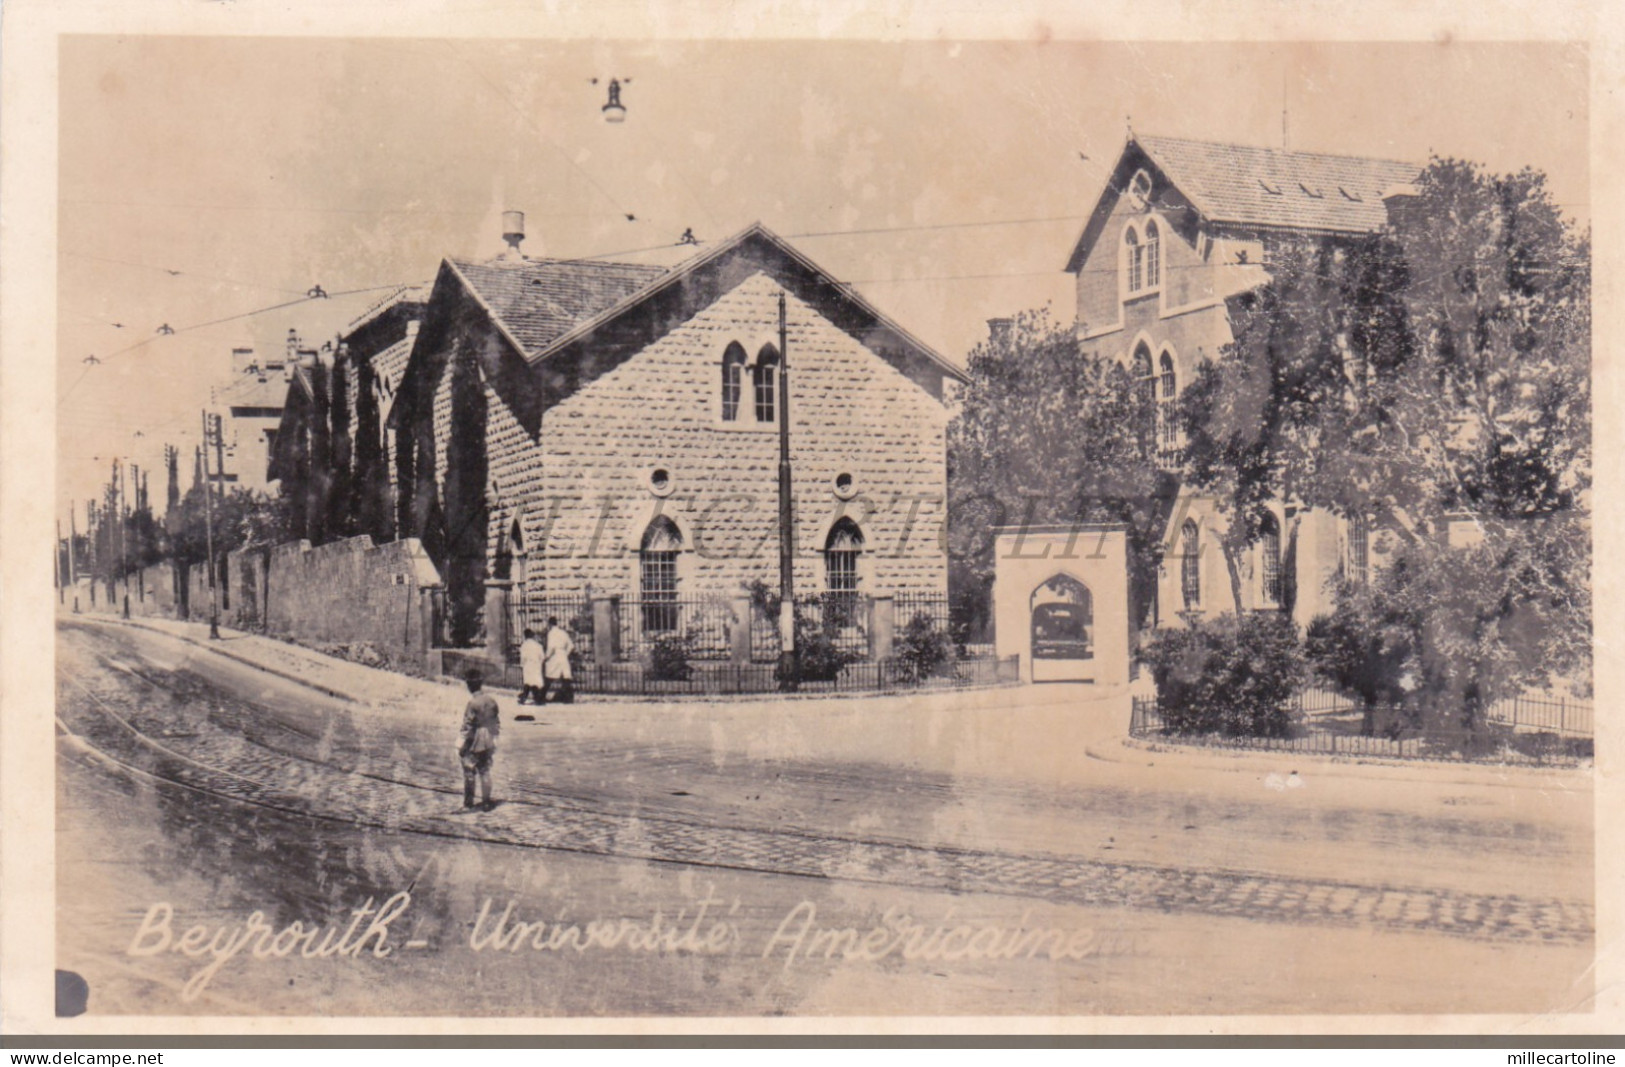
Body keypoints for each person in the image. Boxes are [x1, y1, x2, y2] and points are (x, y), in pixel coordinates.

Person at [457, 669, 501, 811]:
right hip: (488, 739)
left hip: (475, 739)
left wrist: (460, 743)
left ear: (469, 685)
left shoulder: (472, 703)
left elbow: (467, 725)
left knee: (469, 770)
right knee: (485, 770)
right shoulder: (491, 701)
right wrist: (495, 737)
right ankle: (486, 802)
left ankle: (468, 804)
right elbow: (496, 721)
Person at [541, 615, 576, 705]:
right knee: (565, 677)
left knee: (549, 677)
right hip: (563, 655)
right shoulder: (563, 633)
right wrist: (565, 654)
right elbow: (571, 646)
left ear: (550, 624)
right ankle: (568, 698)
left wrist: (546, 657)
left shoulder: (551, 633)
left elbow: (551, 647)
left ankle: (541, 696)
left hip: (555, 655)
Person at [518, 627, 545, 705]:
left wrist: (522, 665)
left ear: (525, 636)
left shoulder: (524, 645)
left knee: (528, 681)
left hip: (528, 665)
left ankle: (528, 698)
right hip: (536, 665)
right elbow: (542, 657)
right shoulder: (538, 645)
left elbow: (523, 657)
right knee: (534, 682)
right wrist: (539, 663)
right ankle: (535, 698)